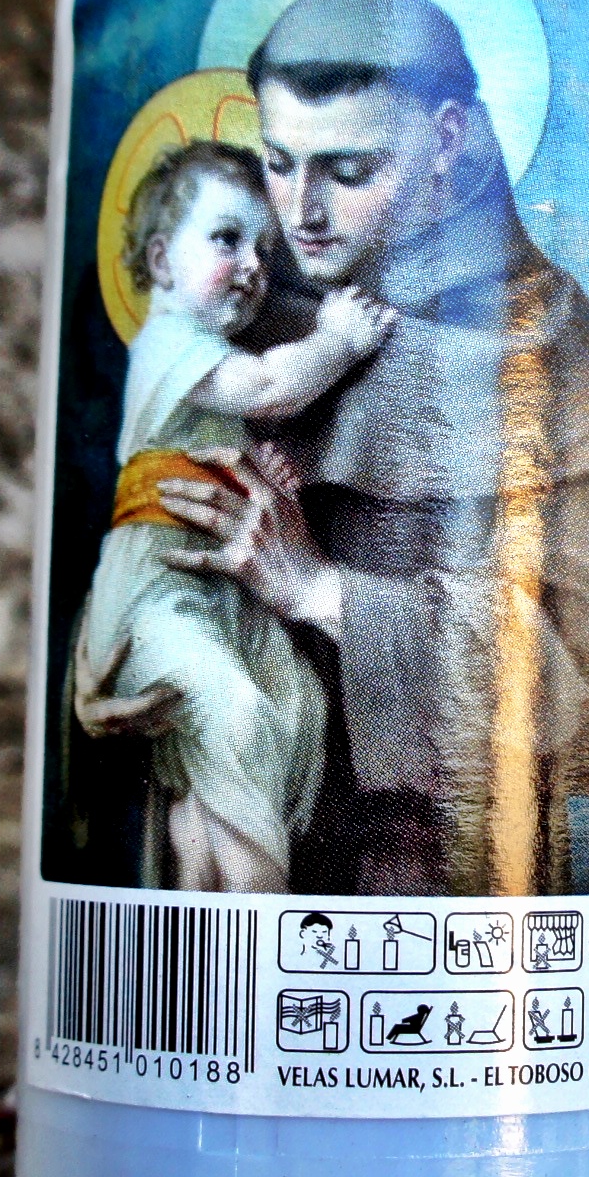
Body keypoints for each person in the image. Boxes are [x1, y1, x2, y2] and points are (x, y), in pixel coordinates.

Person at [147, 0, 589, 898]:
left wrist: (323, 593)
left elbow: (574, 687)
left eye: (348, 172)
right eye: (278, 162)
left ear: (449, 141)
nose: (301, 211)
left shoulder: (557, 356)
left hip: (434, 884)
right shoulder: (244, 312)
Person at [68, 141, 392, 891]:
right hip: (158, 590)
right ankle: (258, 908)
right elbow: (270, 387)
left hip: (214, 589)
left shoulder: (198, 360)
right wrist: (339, 341)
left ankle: (205, 906)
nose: (253, 266)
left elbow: (219, 452)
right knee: (237, 717)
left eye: (264, 250)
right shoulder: (168, 342)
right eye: (226, 239)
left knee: (288, 710)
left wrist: (262, 479)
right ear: (160, 261)